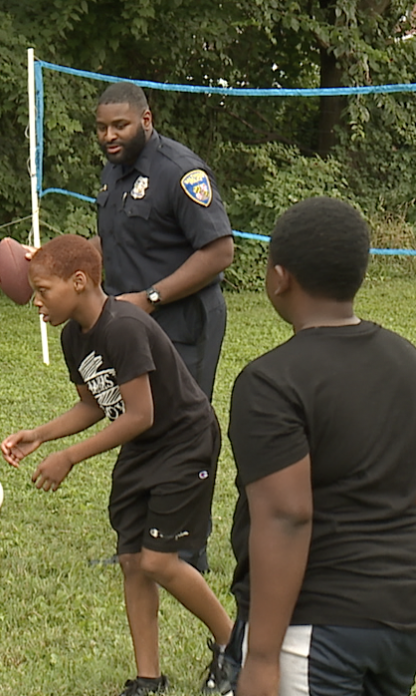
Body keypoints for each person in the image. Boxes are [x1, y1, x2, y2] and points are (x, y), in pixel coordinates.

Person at [224, 198, 416, 696]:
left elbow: (287, 515)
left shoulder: (270, 382)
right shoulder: (410, 362)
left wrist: (261, 659)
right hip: (405, 615)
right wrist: (393, 573)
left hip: (314, 629)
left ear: (279, 278)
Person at [0, 234, 235, 696]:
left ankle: (234, 645)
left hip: (183, 442)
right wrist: (41, 435)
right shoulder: (73, 336)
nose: (36, 301)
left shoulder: (123, 326)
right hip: (143, 446)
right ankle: (149, 679)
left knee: (159, 561)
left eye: (43, 290)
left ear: (79, 282)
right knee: (131, 561)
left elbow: (141, 413)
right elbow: (93, 404)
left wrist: (69, 457)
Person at [93, 81, 235, 573]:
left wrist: (151, 297)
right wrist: (61, 259)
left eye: (120, 126)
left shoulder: (180, 172)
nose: (109, 136)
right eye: (102, 128)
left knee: (183, 429)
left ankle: (186, 551)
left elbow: (219, 251)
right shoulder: (113, 173)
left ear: (146, 121)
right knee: (138, 421)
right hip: (133, 324)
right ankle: (136, 545)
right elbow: (114, 240)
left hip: (183, 319)